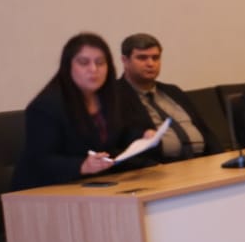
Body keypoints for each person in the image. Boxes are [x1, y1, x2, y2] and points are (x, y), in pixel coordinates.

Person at [12, 33, 159, 190]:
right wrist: (81, 165)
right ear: (68, 66)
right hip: (42, 191)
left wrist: (143, 135)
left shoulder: (110, 96)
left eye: (100, 63)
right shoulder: (46, 106)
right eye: (84, 63)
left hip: (94, 185)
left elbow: (119, 134)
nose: (93, 69)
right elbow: (40, 160)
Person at [120, 32, 214, 161]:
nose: (150, 63)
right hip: (159, 166)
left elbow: (206, 131)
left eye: (155, 58)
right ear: (125, 61)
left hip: (202, 160)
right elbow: (123, 141)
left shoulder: (173, 91)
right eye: (142, 58)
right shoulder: (115, 97)